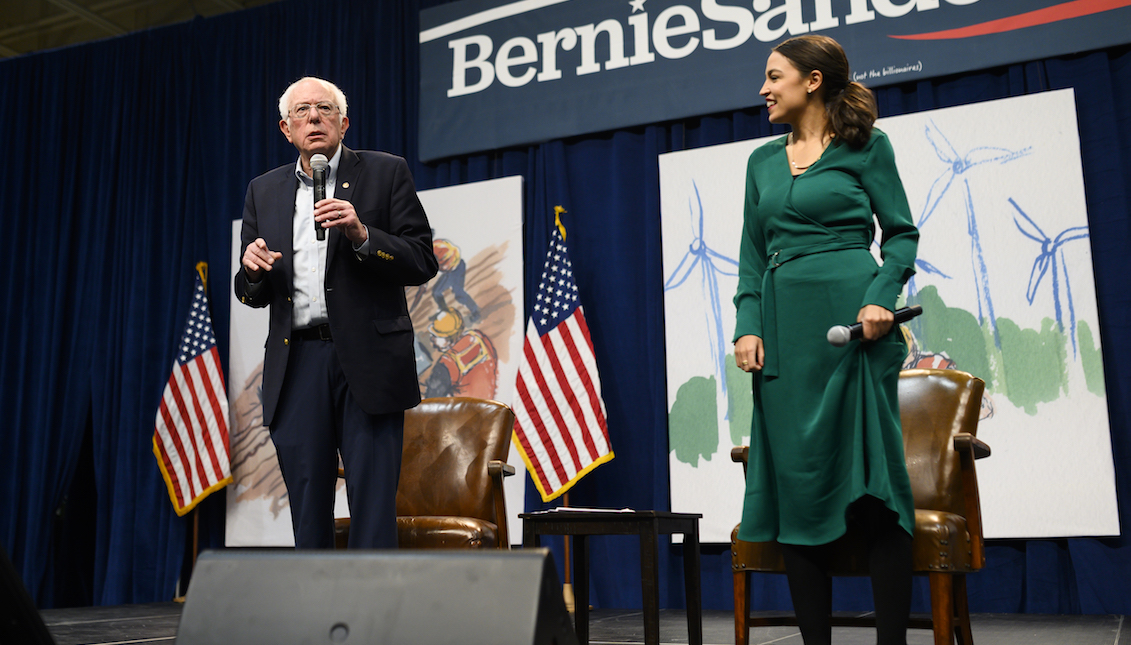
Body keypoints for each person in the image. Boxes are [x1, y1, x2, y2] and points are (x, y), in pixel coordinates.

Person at [732, 35, 919, 645]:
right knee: (800, 489)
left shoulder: (868, 145)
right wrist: (748, 325)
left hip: (855, 334)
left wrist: (881, 296)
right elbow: (751, 259)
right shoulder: (761, 162)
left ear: (812, 81)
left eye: (774, 76)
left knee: (874, 485)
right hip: (787, 341)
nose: (763, 88)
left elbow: (900, 236)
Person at [234, 77, 438, 549]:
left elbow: (422, 260)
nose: (313, 118)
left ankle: (373, 618)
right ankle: (317, 614)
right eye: (302, 111)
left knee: (372, 505)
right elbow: (253, 293)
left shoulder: (386, 173)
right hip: (297, 364)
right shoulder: (262, 191)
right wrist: (252, 272)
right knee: (308, 508)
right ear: (286, 129)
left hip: (367, 361)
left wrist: (363, 234)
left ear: (343, 123)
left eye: (324, 109)